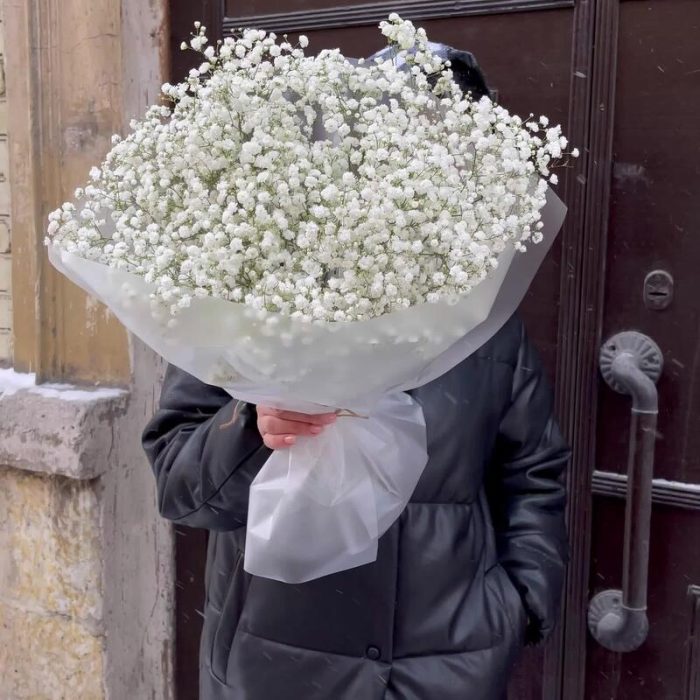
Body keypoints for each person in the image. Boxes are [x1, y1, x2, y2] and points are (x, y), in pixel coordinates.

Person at [141, 49, 569, 700]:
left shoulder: (486, 319)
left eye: (448, 151)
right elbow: (179, 485)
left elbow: (533, 471)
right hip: (277, 670)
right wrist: (253, 426)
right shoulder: (251, 289)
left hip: (450, 668)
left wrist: (520, 603)